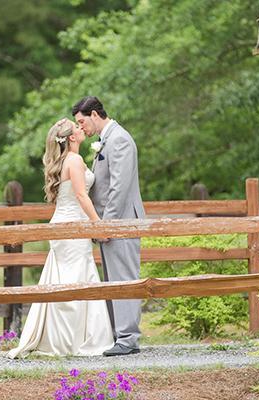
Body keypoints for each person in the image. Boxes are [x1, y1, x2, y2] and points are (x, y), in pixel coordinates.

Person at [7, 118, 114, 359]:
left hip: (65, 223)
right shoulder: (74, 160)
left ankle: (63, 337)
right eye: (77, 127)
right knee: (74, 280)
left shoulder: (67, 160)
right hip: (71, 228)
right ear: (72, 138)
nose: (81, 128)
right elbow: (81, 195)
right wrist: (99, 225)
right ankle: (69, 341)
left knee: (69, 277)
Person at [72, 96, 145, 356]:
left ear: (94, 114)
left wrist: (107, 226)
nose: (80, 128)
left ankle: (128, 338)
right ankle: (120, 335)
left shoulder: (120, 139)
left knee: (124, 278)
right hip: (110, 223)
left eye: (81, 122)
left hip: (121, 221)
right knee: (112, 279)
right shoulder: (107, 139)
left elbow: (119, 188)